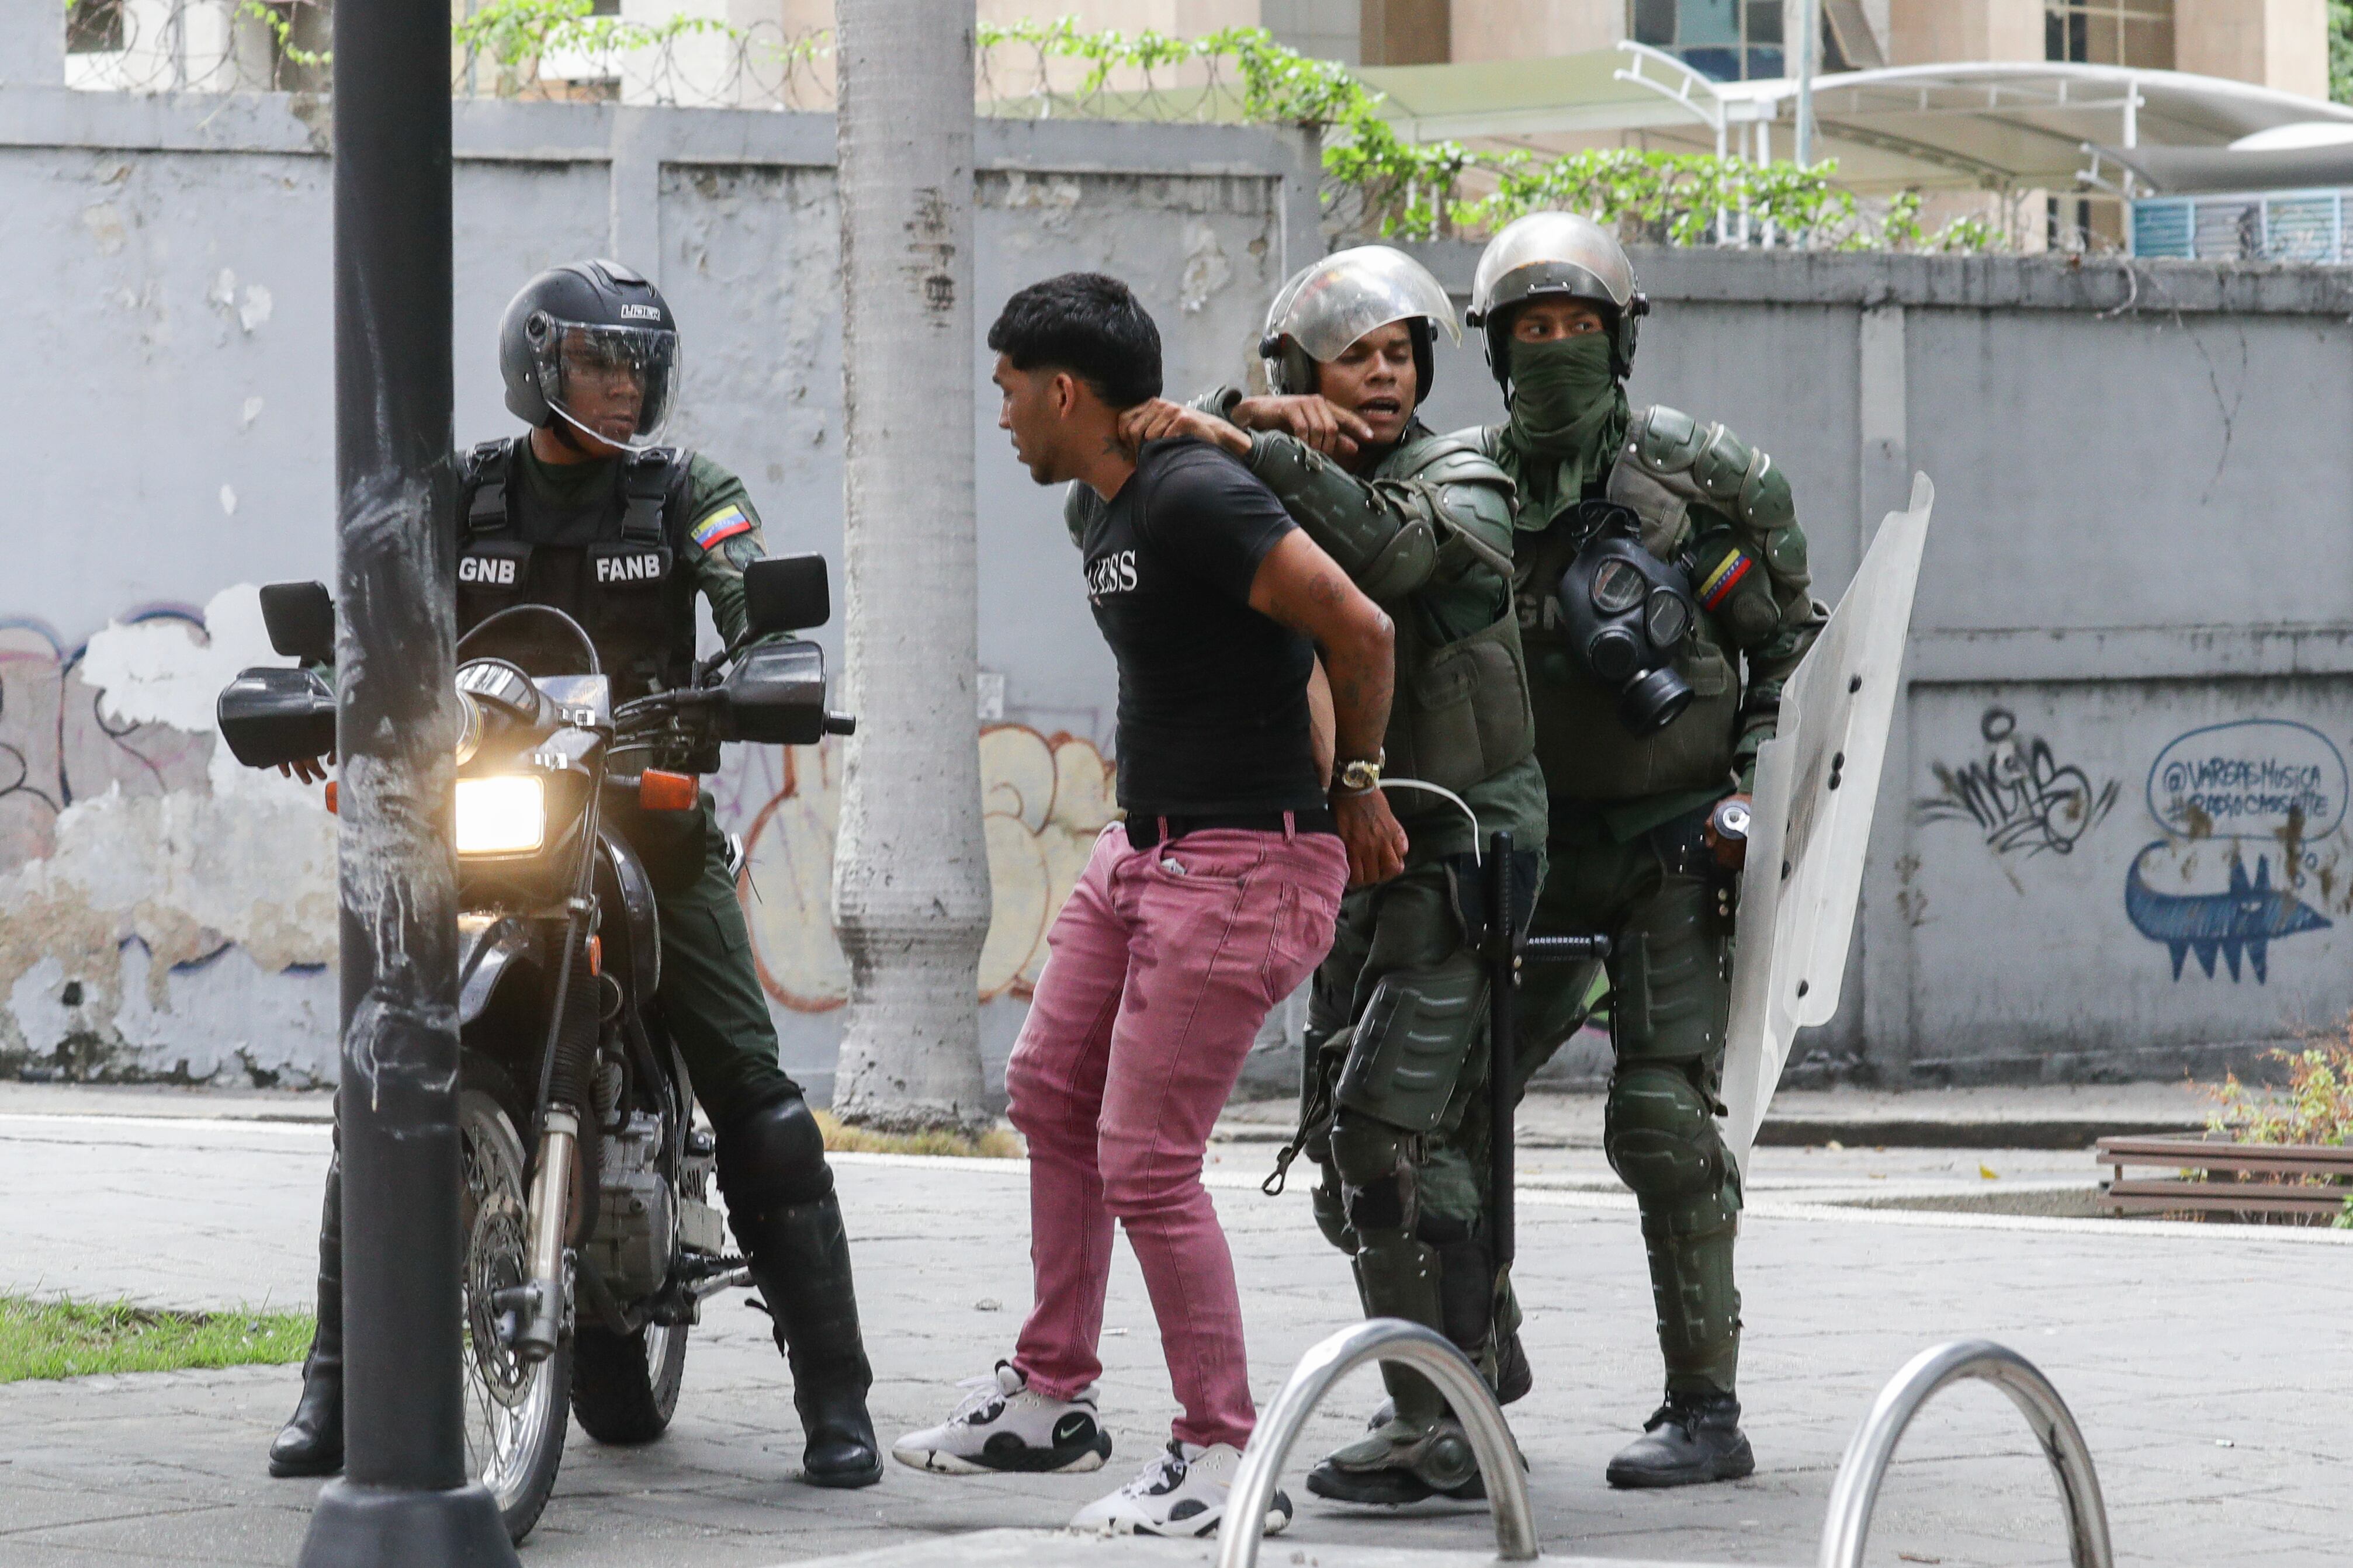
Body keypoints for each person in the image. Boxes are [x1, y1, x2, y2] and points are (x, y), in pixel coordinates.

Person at [268, 259, 882, 1491]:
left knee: (759, 1103)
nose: (623, 386)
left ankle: (834, 1394)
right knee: (380, 1077)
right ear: (537, 366)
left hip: (646, 824)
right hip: (484, 821)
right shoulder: (459, 494)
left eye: (639, 366)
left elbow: (747, 593)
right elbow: (371, 618)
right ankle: (334, 1380)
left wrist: (766, 664)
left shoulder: (684, 492)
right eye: (599, 362)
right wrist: (320, 692)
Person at [891, 272, 1392, 1538]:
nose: (1001, 414)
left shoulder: (1190, 494)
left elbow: (1359, 628)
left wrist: (1355, 790)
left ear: (1063, 392)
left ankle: (1222, 1456)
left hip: (1239, 865)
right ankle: (1050, 1394)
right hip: (1144, 851)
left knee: (1149, 1163)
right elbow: (1282, 647)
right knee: (1049, 1094)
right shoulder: (1115, 500)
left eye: (1009, 390)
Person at [1114, 245, 1545, 1505]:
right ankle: (1461, 1369)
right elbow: (1124, 504)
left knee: (1391, 1133)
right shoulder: (1262, 462)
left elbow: (1397, 564)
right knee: (1349, 1155)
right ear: (1301, 369)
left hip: (1463, 854)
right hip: (1348, 858)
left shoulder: (1462, 477)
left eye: (1401, 353)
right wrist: (1237, 418)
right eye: (1355, 356)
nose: (1384, 375)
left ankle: (1444, 1417)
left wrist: (1261, 445)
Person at [1464, 214, 1824, 1487]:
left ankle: (1704, 1409)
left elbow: (1788, 652)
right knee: (1445, 1108)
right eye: (1532, 327)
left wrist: (1758, 793)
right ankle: (1464, 1363)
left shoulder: (1696, 488)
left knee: (1663, 1118)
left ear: (1620, 339)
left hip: (1674, 843)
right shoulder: (1467, 490)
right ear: (1497, 347)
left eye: (1578, 324)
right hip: (1526, 844)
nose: (1555, 347)